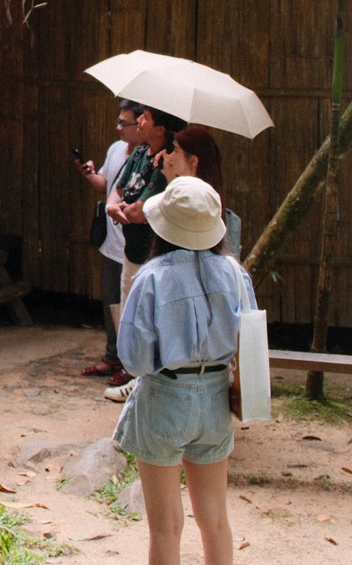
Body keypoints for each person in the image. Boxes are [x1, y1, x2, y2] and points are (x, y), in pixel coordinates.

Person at [113, 175, 257, 565]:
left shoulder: (151, 277)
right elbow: (250, 337)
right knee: (215, 520)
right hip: (216, 399)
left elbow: (132, 358)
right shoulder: (235, 274)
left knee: (165, 526)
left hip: (165, 399)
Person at [105, 103, 186, 402]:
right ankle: (133, 374)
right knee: (128, 311)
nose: (138, 121)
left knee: (151, 315)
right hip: (132, 248)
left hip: (156, 252)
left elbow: (142, 210)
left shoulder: (167, 160)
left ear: (160, 129)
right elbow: (117, 190)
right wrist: (115, 205)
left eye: (145, 117)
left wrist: (122, 208)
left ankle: (148, 380)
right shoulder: (139, 153)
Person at [77, 101, 145, 382]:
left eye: (124, 123)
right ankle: (112, 355)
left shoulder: (146, 157)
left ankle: (132, 364)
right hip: (111, 242)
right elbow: (107, 185)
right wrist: (90, 174)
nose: (118, 128)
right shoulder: (116, 149)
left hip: (135, 244)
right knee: (110, 303)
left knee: (133, 306)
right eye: (118, 121)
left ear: (142, 124)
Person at [159, 126, 241, 257]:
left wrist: (170, 178)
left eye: (176, 150)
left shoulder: (222, 216)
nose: (170, 156)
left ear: (193, 160)